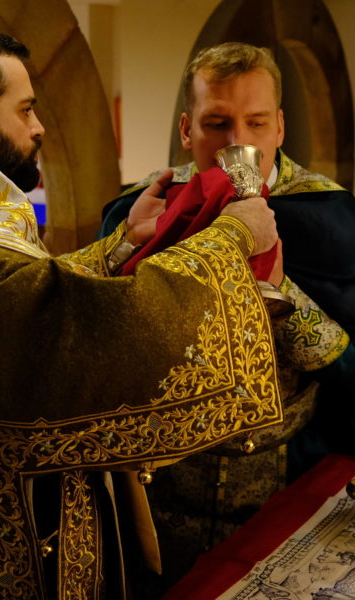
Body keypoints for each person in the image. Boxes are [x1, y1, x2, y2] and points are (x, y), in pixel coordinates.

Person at [0, 28, 287, 600]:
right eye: (25, 109)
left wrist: (121, 245)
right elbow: (83, 329)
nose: (40, 126)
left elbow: (31, 298)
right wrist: (232, 236)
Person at [99, 42, 355, 597]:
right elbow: (101, 344)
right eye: (217, 124)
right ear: (187, 130)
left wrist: (282, 293)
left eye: (256, 123)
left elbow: (352, 369)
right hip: (161, 488)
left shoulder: (334, 218)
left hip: (285, 478)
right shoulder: (137, 210)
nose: (238, 143)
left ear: (280, 127)